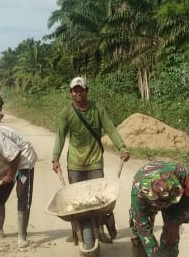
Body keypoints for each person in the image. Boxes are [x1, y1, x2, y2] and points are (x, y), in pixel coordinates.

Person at [51, 76, 130, 247]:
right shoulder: (67, 112)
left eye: (81, 90)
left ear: (87, 91)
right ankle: (75, 232)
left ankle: (101, 230)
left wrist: (122, 148)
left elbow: (110, 128)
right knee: (76, 203)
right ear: (71, 93)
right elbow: (60, 136)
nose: (78, 93)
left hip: (95, 161)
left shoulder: (97, 109)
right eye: (75, 90)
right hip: (75, 163)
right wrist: (55, 158)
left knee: (99, 200)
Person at [117, 161, 189, 257]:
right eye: (160, 204)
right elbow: (145, 231)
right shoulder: (139, 194)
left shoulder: (182, 175)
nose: (162, 207)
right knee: (138, 229)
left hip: (178, 198)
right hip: (150, 197)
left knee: (171, 235)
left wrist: (176, 218)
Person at [0, 124, 37, 249]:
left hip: (23, 161)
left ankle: (22, 236)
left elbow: (15, 156)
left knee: (22, 195)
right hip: (6, 161)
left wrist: (10, 175)